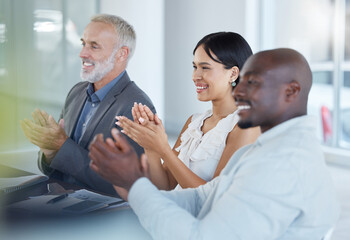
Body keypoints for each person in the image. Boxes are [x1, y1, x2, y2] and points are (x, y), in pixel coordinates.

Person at [89, 48, 340, 239]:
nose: (239, 92)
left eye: (252, 83)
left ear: (291, 91)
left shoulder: (282, 163)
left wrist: (137, 186)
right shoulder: (263, 150)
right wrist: (136, 185)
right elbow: (203, 199)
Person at [20, 14, 156, 196]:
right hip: (61, 206)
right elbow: (57, 169)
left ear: (122, 54)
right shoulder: (76, 92)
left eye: (94, 46)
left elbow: (127, 185)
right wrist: (50, 152)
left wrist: (62, 145)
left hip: (103, 218)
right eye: (84, 43)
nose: (82, 53)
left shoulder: (137, 107)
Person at [115, 32, 260, 190]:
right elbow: (165, 186)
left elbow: (215, 197)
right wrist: (152, 147)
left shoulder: (246, 126)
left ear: (233, 74)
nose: (195, 76)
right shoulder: (194, 123)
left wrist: (164, 150)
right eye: (195, 67)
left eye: (205, 68)